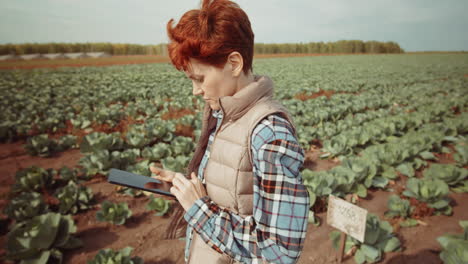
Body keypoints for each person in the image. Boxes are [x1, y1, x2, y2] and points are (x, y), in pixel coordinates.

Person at [149, 0, 310, 263]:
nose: (195, 91)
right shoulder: (223, 114)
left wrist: (199, 209)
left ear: (234, 63)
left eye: (199, 78)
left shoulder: (269, 134)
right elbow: (229, 192)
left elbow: (279, 251)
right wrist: (183, 188)